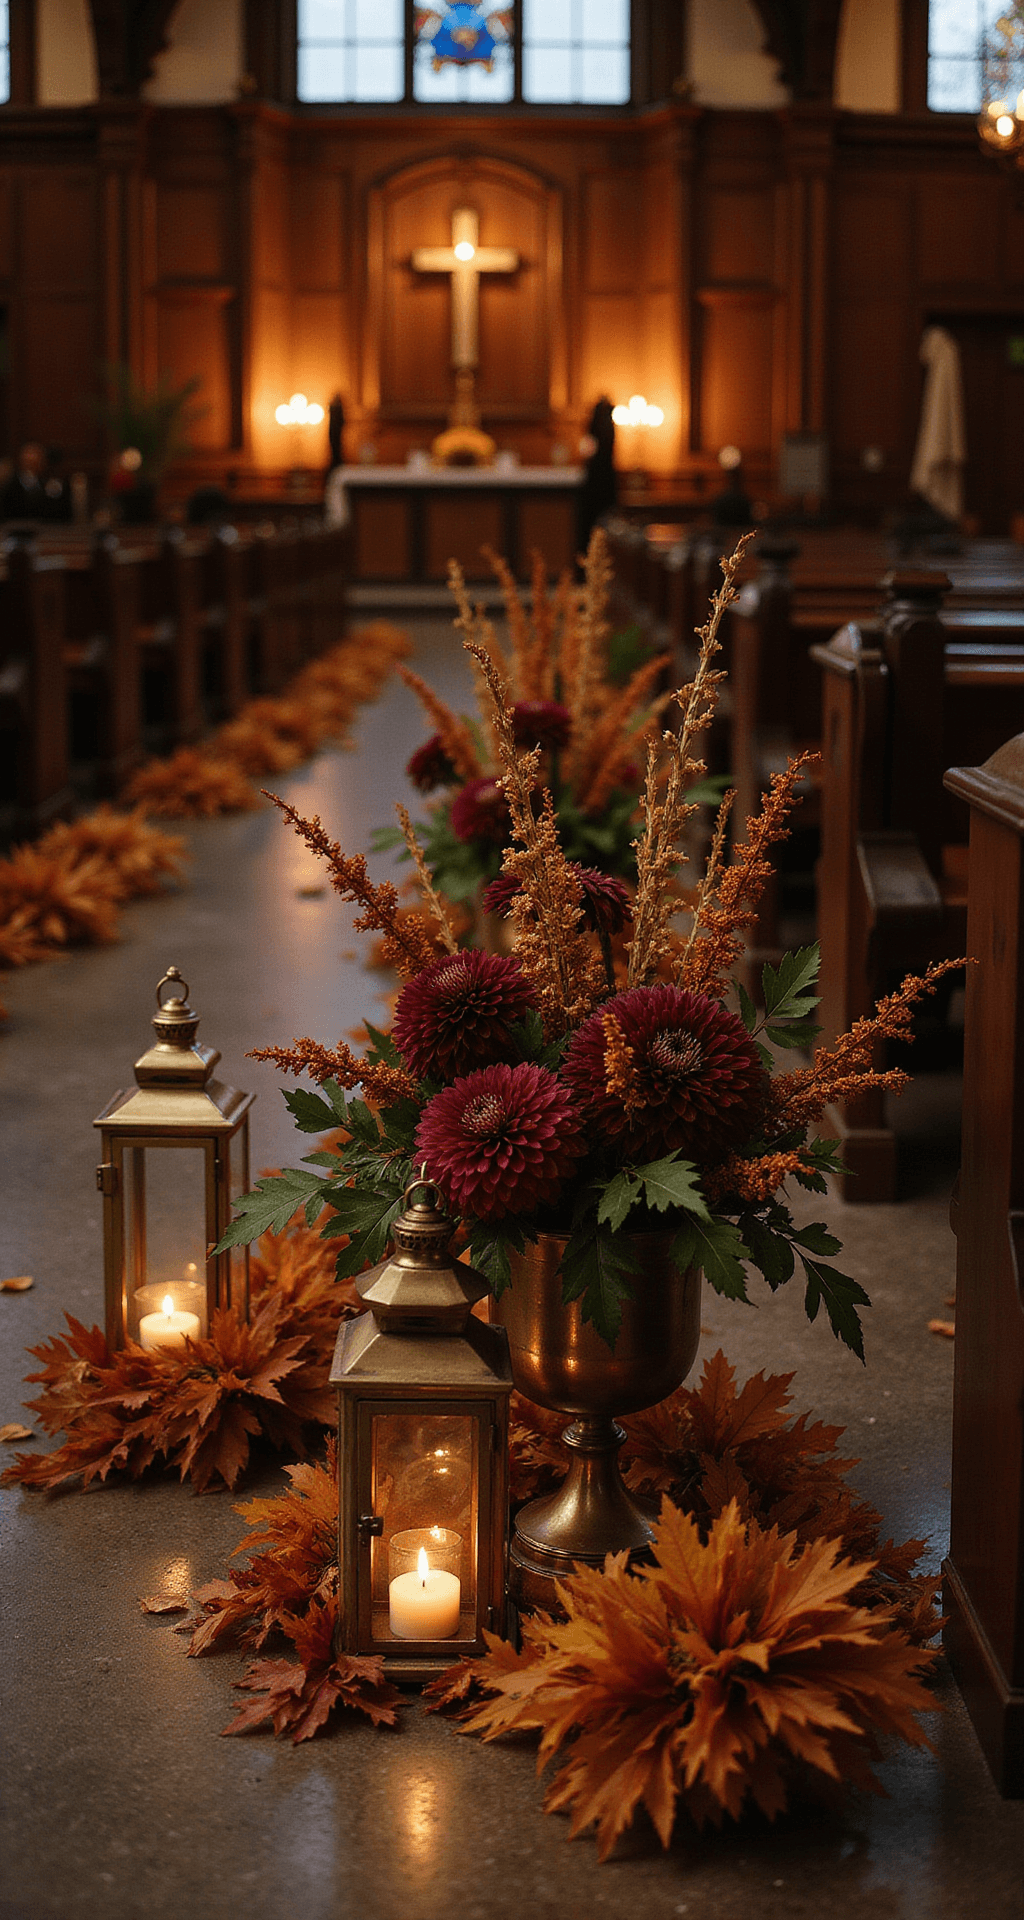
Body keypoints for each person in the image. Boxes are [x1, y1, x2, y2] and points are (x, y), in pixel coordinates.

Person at [577, 396, 616, 555]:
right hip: (606, 481)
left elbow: (586, 452)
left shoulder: (594, 429)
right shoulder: (608, 426)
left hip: (594, 483)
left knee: (591, 527)